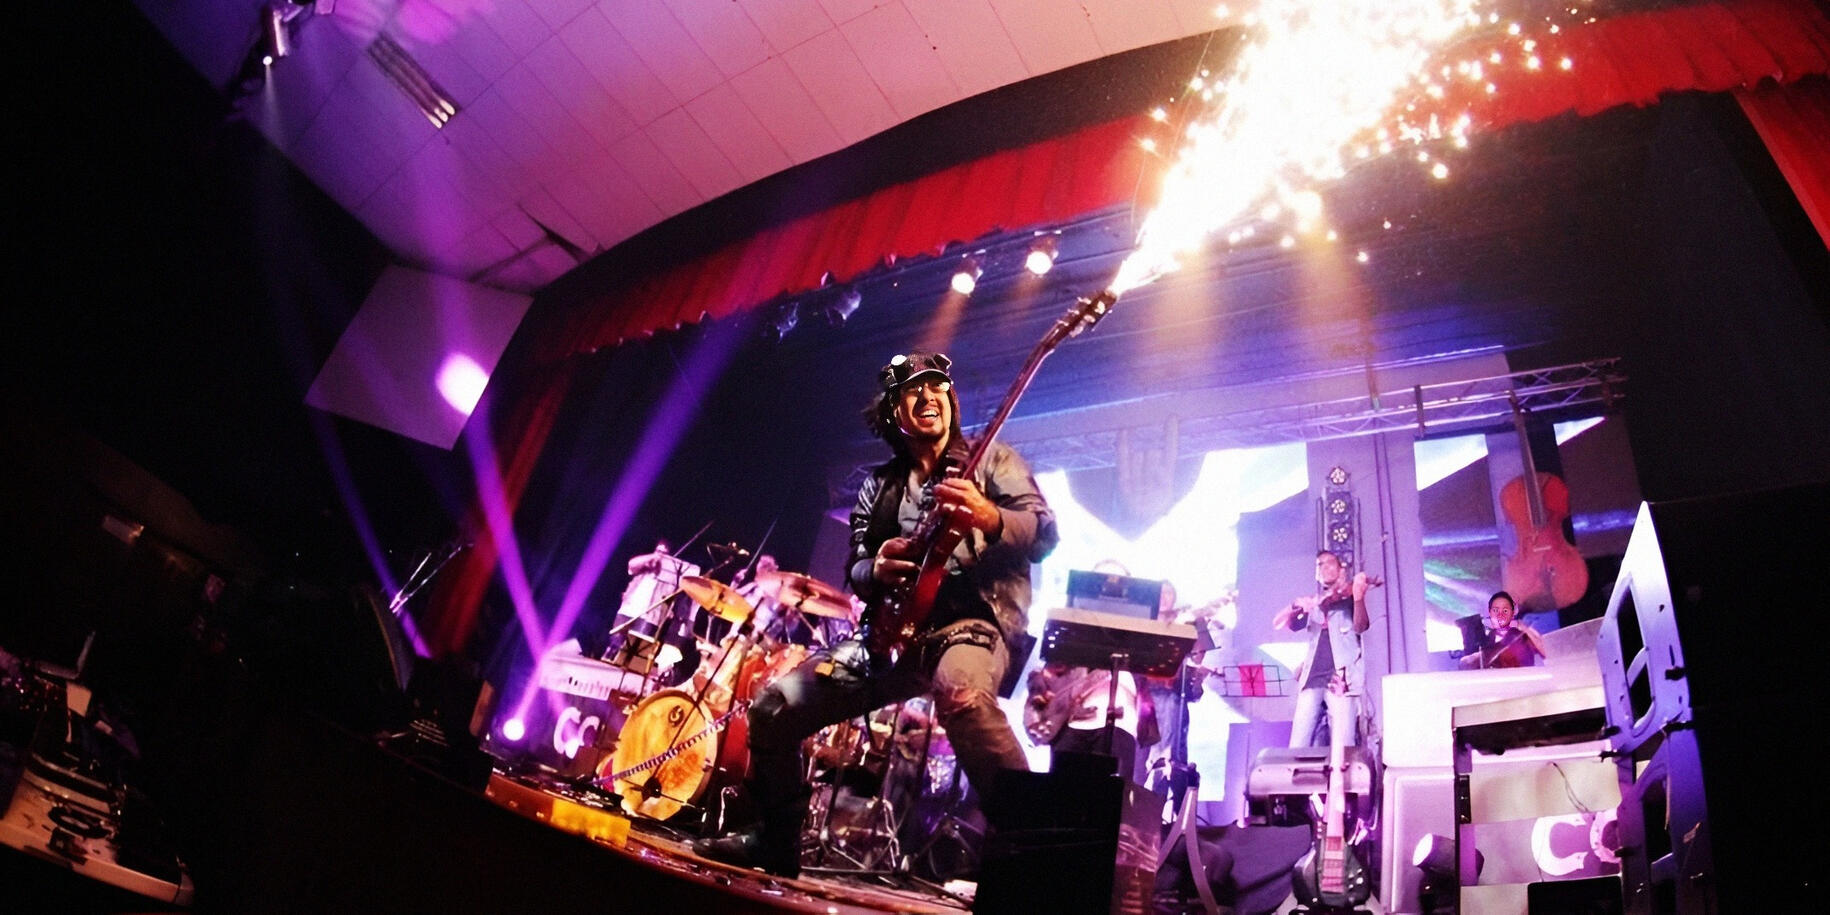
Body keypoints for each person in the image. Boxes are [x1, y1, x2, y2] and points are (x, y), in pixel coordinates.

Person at [695, 351, 1058, 877]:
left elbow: (1044, 534)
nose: (929, 396)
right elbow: (857, 566)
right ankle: (776, 842)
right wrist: (876, 567)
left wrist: (990, 515)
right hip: (890, 634)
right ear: (894, 412)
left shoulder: (994, 461)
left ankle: (1042, 865)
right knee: (773, 706)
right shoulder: (878, 485)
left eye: (938, 387)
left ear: (951, 402)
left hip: (970, 625)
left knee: (962, 693)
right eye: (914, 390)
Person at [1271, 550, 1369, 748]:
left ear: (1341, 569)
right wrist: (1295, 605)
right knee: (1298, 743)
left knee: (1343, 746)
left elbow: (1361, 626)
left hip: (1340, 680)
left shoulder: (1348, 598)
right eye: (1320, 565)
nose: (1324, 567)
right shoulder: (1314, 603)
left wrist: (1358, 598)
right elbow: (1278, 623)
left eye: (1329, 563)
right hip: (1312, 679)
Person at [1461, 590, 1546, 669]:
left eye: (1505, 610)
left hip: (1522, 679)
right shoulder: (1484, 635)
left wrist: (1523, 629)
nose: (1500, 614)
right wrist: (1502, 644)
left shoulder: (1524, 633)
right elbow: (1465, 664)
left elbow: (1548, 653)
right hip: (1497, 679)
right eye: (1496, 610)